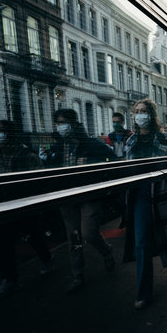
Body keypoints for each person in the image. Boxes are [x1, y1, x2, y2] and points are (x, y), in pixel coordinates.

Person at [124, 98, 167, 309]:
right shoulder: (131, 141)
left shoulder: (163, 139)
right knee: (142, 242)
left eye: (143, 111)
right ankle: (144, 292)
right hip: (140, 196)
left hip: (161, 193)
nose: (140, 115)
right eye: (137, 111)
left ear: (151, 115)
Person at [43, 109, 117, 293]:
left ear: (74, 123)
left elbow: (112, 160)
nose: (61, 127)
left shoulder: (90, 144)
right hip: (67, 197)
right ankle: (78, 275)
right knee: (73, 237)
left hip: (88, 195)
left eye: (64, 122)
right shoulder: (58, 147)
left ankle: (106, 251)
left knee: (89, 232)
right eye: (58, 123)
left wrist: (100, 180)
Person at [0, 120, 56, 298]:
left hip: (23, 204)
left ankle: (46, 259)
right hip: (3, 205)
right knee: (4, 243)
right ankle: (10, 279)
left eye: (1, 131)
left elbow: (39, 178)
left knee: (32, 235)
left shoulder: (26, 154)